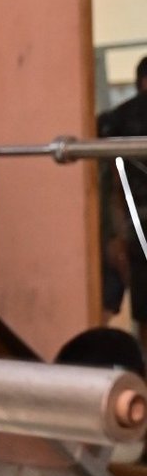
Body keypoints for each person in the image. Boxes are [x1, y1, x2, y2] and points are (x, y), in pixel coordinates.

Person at [99, 56, 147, 361]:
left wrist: (115, 234)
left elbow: (112, 185)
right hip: (133, 225)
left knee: (140, 311)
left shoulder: (116, 119)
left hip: (132, 224)